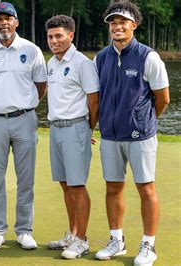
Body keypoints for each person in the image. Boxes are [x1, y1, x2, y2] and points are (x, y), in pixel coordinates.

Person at [94, 2, 170, 266]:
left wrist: (144, 120)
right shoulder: (101, 57)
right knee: (113, 187)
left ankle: (148, 245)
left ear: (133, 25)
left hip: (141, 136)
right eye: (113, 23)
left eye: (122, 22)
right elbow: (96, 96)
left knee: (145, 188)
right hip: (111, 136)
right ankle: (117, 240)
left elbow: (163, 99)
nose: (117, 26)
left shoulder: (148, 57)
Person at [0, 2, 47, 251]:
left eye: (8, 18)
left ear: (16, 22)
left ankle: (24, 230)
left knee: (26, 179)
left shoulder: (31, 50)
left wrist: (23, 106)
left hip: (24, 119)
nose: (3, 23)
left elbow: (41, 86)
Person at [44, 15, 99, 259]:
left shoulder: (82, 63)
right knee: (65, 184)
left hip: (76, 128)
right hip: (55, 128)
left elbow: (94, 100)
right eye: (50, 36)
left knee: (77, 185)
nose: (53, 41)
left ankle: (82, 240)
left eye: (58, 36)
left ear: (71, 36)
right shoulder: (51, 63)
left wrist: (88, 129)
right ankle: (72, 233)